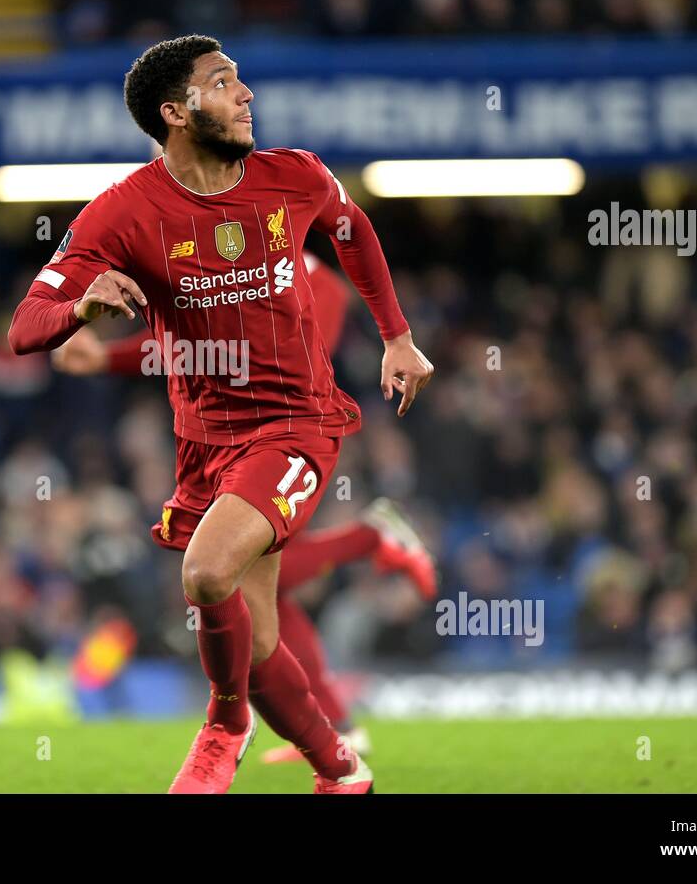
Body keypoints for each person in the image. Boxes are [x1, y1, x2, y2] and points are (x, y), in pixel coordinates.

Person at [8, 34, 434, 793]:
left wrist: (397, 337)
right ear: (176, 112)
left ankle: (224, 724)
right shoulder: (124, 211)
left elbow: (352, 229)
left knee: (207, 575)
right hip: (207, 444)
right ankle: (342, 770)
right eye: (223, 83)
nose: (246, 94)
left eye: (241, 81)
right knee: (262, 634)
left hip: (299, 423)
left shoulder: (293, 175)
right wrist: (79, 304)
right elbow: (25, 326)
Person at [50, 251, 439, 763]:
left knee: (230, 569)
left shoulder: (223, 230)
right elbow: (183, 343)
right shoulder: (196, 252)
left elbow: (207, 340)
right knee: (264, 592)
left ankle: (371, 536)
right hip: (262, 386)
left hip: (288, 393)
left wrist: (102, 351)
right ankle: (337, 727)